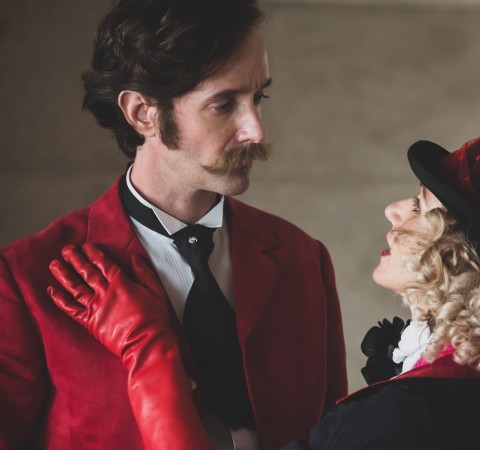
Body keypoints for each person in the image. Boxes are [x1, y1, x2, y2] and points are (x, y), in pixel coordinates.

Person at [48, 102, 480, 450]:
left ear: (462, 256)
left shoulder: (407, 416)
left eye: (421, 204)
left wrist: (148, 347)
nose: (393, 210)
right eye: (225, 102)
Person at [0, 1, 347, 449]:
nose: (256, 130)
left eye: (258, 98)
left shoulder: (303, 258)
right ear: (142, 112)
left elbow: (339, 436)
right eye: (224, 104)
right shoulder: (25, 277)